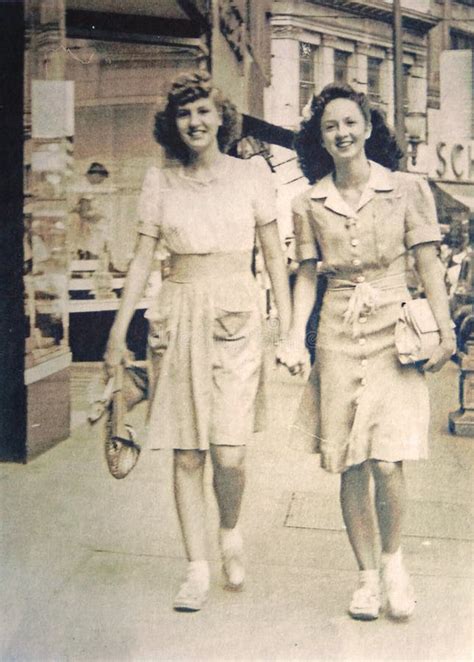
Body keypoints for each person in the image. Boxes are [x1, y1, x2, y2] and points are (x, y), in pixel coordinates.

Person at [104, 71, 291, 612]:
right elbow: (142, 258)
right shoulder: (159, 181)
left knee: (228, 453)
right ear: (173, 122)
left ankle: (229, 529)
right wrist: (119, 331)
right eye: (185, 114)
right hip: (178, 313)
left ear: (221, 117)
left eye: (204, 111)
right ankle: (195, 567)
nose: (195, 122)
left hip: (235, 312)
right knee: (187, 453)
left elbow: (274, 254)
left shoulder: (252, 174)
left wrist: (286, 323)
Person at [278, 83, 455, 621]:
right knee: (350, 460)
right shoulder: (307, 201)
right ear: (320, 137)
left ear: (369, 128)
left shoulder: (406, 189)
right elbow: (306, 279)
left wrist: (445, 330)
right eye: (330, 126)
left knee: (387, 458)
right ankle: (365, 578)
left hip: (394, 329)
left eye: (350, 123)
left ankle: (394, 565)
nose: (342, 133)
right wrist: (292, 334)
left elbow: (426, 264)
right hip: (337, 330)